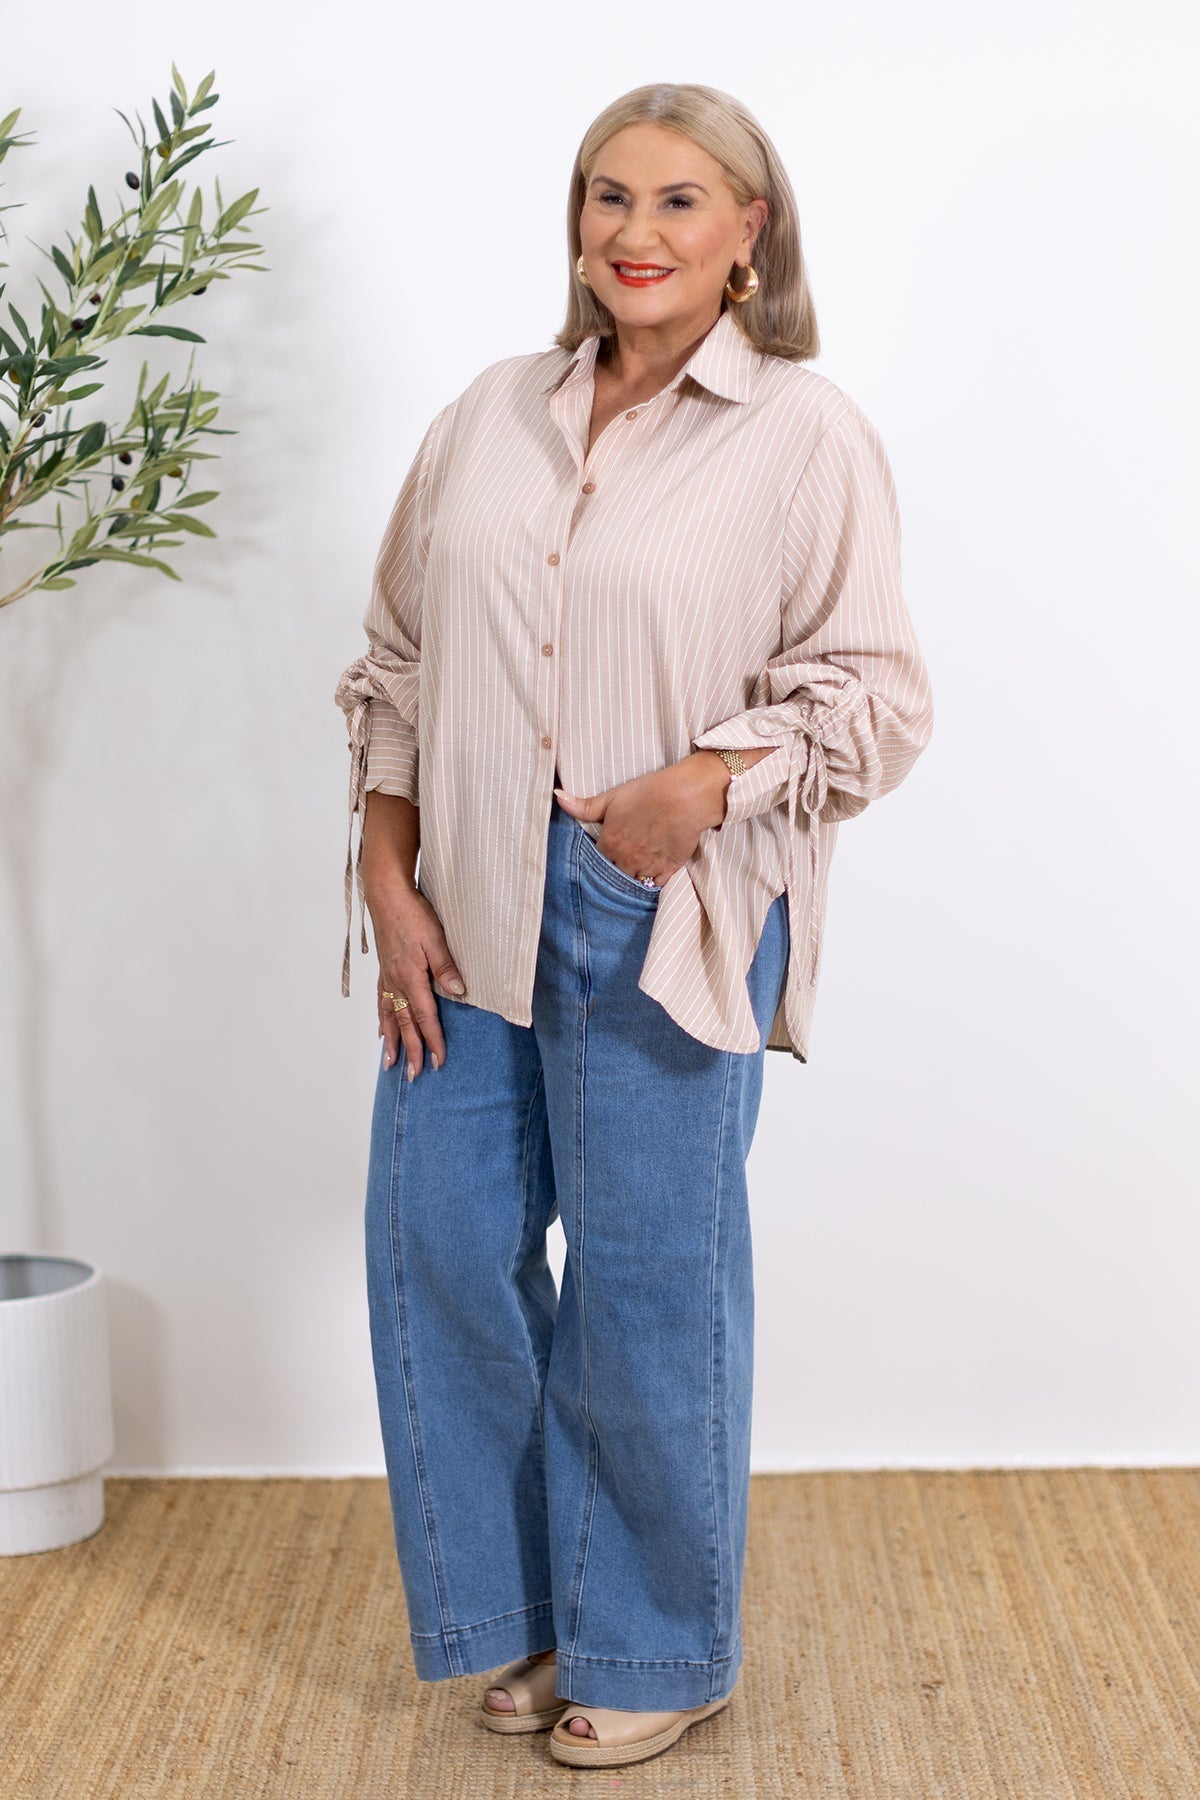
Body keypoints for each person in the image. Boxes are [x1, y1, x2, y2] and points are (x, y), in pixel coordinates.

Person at [333, 81, 933, 1772]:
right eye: (609, 196)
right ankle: (534, 1610)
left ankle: (661, 1641)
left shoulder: (804, 436)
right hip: (459, 893)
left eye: (679, 200)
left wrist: (704, 786)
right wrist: (386, 873)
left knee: (650, 1282)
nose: (635, 231)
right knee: (439, 1242)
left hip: (656, 899)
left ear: (751, 231)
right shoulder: (489, 412)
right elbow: (394, 664)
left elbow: (880, 699)